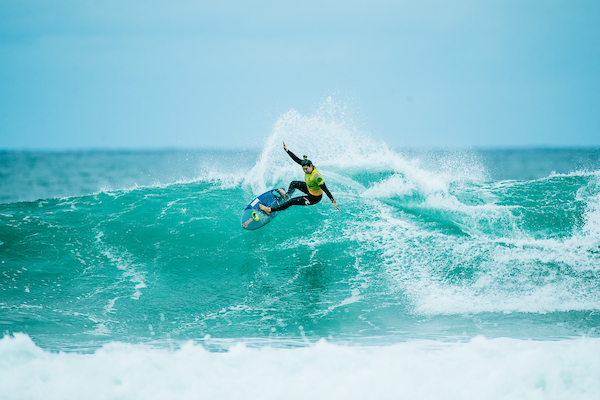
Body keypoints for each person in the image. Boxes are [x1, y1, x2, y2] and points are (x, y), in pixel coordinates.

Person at [259, 141, 340, 215]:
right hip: (309, 188)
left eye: (306, 169)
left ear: (311, 166)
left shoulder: (317, 177)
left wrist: (332, 200)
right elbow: (296, 159)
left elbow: (325, 189)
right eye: (303, 169)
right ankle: (287, 196)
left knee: (292, 201)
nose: (305, 171)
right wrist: (287, 150)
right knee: (293, 183)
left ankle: (270, 210)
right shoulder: (307, 167)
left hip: (314, 198)